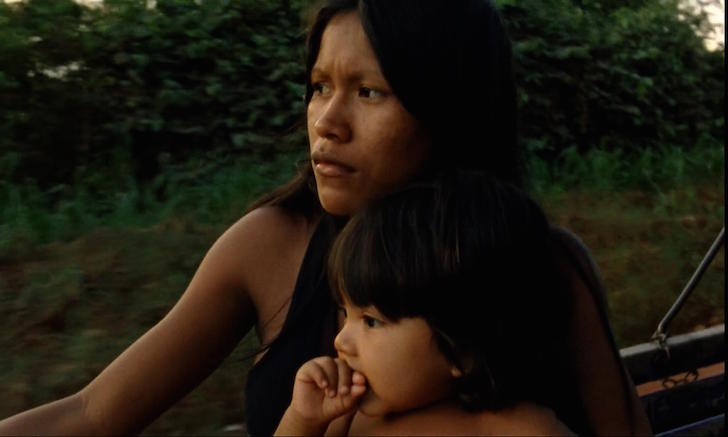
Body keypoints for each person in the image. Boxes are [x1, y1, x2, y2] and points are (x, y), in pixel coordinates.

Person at [0, 0, 651, 435]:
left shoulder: (541, 267)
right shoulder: (268, 246)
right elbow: (92, 411)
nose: (326, 122)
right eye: (318, 86)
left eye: (369, 92)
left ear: (448, 108)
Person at [275, 170, 580, 436]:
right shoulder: (345, 419)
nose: (341, 341)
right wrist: (302, 421)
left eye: (371, 321)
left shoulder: (523, 429)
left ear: (462, 350)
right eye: (345, 313)